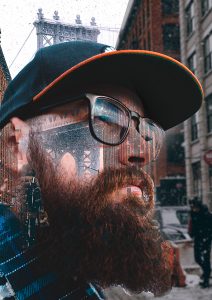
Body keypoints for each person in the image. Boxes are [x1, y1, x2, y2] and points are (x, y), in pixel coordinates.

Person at [0, 41, 203, 299]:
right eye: (106, 118)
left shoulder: (91, 268)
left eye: (147, 131)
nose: (140, 152)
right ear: (16, 146)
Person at [189, 197, 212, 288]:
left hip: (206, 238)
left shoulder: (206, 214)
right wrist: (192, 234)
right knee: (197, 258)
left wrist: (208, 236)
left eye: (194, 207)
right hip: (198, 238)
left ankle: (206, 279)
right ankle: (206, 272)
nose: (193, 209)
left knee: (206, 259)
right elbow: (193, 225)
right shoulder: (193, 213)